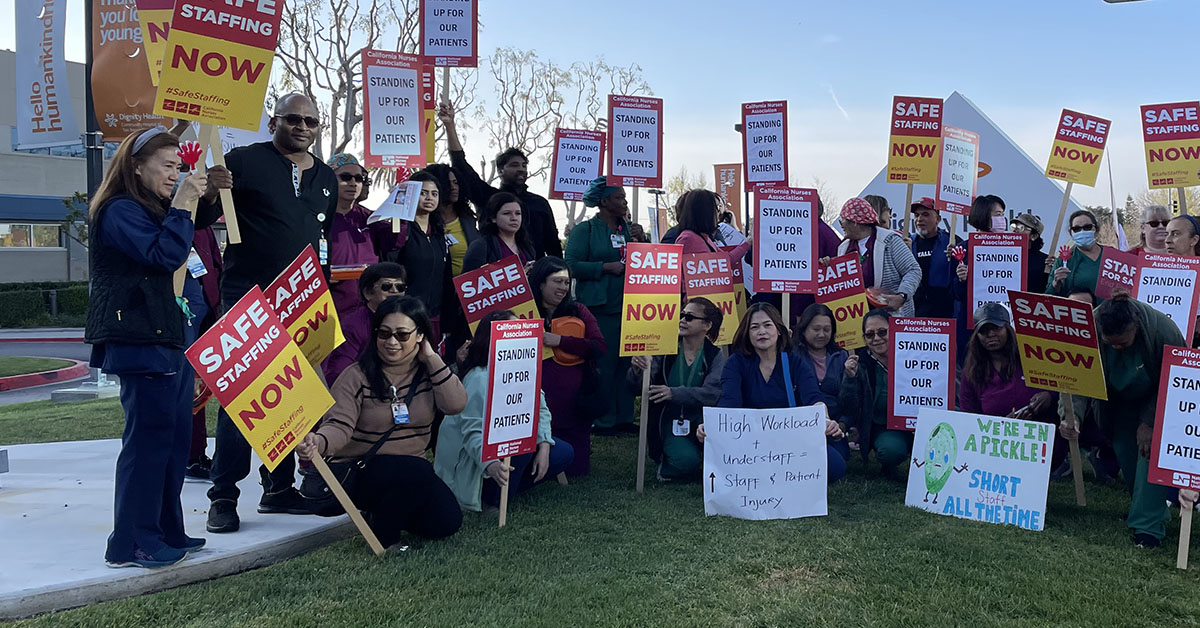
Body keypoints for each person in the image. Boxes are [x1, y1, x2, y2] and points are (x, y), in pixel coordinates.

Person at [197, 93, 338, 534]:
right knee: (245, 403)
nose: (302, 126)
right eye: (293, 118)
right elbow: (201, 219)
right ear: (275, 120)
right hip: (248, 299)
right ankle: (223, 495)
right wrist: (209, 189)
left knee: (292, 399)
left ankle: (278, 489)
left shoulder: (328, 178)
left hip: (302, 300)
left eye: (310, 121)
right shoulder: (242, 160)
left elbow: (321, 239)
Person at [85, 126, 206, 567]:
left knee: (172, 441)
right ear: (136, 166)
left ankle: (165, 529)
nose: (176, 175)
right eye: (168, 166)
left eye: (179, 166)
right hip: (139, 338)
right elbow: (164, 254)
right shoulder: (119, 210)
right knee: (147, 442)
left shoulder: (152, 207)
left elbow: (184, 230)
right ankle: (131, 542)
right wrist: (185, 204)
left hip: (165, 337)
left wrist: (205, 196)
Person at [297, 296, 465, 546]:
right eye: (383, 333)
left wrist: (431, 357)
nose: (392, 342)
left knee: (446, 522)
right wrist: (319, 442)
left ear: (420, 335)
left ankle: (384, 512)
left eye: (402, 334)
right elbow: (339, 425)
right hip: (360, 470)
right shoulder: (356, 376)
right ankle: (385, 538)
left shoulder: (430, 373)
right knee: (416, 470)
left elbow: (455, 404)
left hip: (410, 475)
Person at [1069, 294, 1182, 547]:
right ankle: (1142, 509)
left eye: (1123, 343)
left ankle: (1148, 528)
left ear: (1137, 325)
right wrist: (1072, 415)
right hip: (1117, 402)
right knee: (1125, 450)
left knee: (1148, 454)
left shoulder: (1165, 331)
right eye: (1112, 345)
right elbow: (1075, 374)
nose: (1117, 348)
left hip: (1157, 397)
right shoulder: (1090, 327)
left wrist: (1149, 422)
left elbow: (1173, 378)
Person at [435, 310, 573, 511]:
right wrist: (490, 464)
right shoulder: (478, 378)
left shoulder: (522, 368)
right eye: (512, 331)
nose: (519, 336)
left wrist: (543, 445)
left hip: (504, 448)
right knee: (521, 442)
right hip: (473, 460)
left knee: (562, 452)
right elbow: (472, 432)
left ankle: (506, 486)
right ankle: (491, 499)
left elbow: (540, 408)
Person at [704, 303, 847, 482]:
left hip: (791, 440)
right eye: (754, 327)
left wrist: (826, 420)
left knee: (836, 466)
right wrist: (712, 427)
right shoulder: (735, 363)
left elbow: (813, 399)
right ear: (747, 333)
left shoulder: (795, 361)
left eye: (767, 325)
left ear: (779, 330)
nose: (761, 331)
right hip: (751, 442)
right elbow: (728, 403)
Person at [439, 102, 562, 259]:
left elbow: (552, 244)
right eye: (515, 165)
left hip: (534, 277)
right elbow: (461, 165)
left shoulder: (540, 203)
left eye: (524, 165)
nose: (521, 169)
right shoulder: (487, 196)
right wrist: (450, 126)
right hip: (495, 276)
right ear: (500, 170)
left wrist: (559, 272)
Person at [564, 177, 636, 435]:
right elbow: (570, 264)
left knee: (626, 364)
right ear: (604, 202)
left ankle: (625, 417)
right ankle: (604, 419)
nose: (625, 202)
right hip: (600, 308)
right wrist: (604, 267)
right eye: (619, 197)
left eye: (625, 197)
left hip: (630, 308)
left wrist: (640, 243)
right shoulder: (587, 230)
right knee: (604, 365)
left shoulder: (627, 230)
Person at [628, 297, 727, 481]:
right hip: (668, 421)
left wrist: (673, 393)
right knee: (686, 461)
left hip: (702, 422)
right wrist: (636, 370)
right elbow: (637, 388)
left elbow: (712, 395)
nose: (682, 320)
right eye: (681, 315)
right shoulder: (664, 349)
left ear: (707, 325)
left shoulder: (716, 356)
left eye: (689, 317)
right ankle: (667, 463)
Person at [957, 303, 1063, 464]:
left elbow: (1063, 385)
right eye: (984, 331)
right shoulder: (971, 372)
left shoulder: (1032, 356)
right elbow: (968, 416)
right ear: (977, 336)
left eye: (996, 328)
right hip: (994, 445)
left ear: (1008, 329)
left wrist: (1049, 395)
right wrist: (1000, 427)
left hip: (1040, 436)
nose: (991, 334)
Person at [528, 256, 605, 475]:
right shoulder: (524, 313)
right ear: (541, 282)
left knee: (576, 469)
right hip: (537, 400)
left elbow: (599, 347)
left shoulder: (579, 311)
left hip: (575, 403)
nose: (563, 287)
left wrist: (560, 341)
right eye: (557, 281)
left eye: (566, 282)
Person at [839, 309, 911, 477]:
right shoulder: (861, 364)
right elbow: (848, 407)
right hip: (885, 426)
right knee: (890, 451)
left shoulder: (918, 353)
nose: (877, 338)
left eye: (882, 332)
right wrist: (849, 378)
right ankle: (889, 464)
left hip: (922, 423)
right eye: (870, 335)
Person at [381, 170, 451, 338]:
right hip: (405, 316)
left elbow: (446, 277)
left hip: (434, 316)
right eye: (423, 193)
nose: (429, 198)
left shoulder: (439, 234)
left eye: (434, 194)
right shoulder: (401, 229)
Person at [322, 262, 407, 383]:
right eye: (386, 286)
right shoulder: (352, 326)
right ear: (368, 293)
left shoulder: (409, 320)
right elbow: (338, 374)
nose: (395, 291)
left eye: (400, 287)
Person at [836, 198, 921, 317]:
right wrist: (828, 265)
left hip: (892, 316)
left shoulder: (890, 240)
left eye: (843, 220)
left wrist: (902, 296)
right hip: (858, 318)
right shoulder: (843, 248)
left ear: (854, 221)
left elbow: (913, 270)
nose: (842, 225)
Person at [183, 224, 222, 482]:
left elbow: (217, 264)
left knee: (201, 386)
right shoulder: (169, 216)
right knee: (186, 387)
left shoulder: (205, 226)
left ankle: (197, 454)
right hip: (183, 314)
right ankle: (189, 455)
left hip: (210, 308)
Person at [791, 303, 852, 461]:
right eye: (816, 329)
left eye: (826, 329)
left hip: (833, 426)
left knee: (839, 457)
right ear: (804, 329)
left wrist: (842, 425)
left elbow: (850, 400)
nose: (821, 334)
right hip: (800, 425)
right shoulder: (791, 355)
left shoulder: (842, 356)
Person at [326, 153, 379, 317]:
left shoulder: (372, 218)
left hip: (368, 309)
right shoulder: (316, 217)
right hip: (331, 310)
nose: (353, 183)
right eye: (346, 177)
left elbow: (394, 243)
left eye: (358, 178)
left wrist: (400, 213)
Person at [909, 196, 962, 319]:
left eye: (925, 214)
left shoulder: (952, 241)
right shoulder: (907, 243)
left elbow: (965, 275)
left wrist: (957, 258)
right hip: (916, 313)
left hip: (946, 312)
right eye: (916, 215)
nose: (919, 219)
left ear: (938, 219)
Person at [423, 163, 480, 277]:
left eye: (456, 182)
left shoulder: (468, 220)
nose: (454, 187)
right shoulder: (423, 221)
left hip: (470, 288)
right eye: (448, 183)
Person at [462, 191, 536, 272]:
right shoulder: (481, 246)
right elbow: (468, 282)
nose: (514, 218)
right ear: (493, 218)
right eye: (507, 213)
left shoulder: (526, 246)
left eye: (518, 213)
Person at [674, 189, 752, 261]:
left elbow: (726, 260)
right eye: (717, 207)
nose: (719, 212)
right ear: (706, 211)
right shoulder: (688, 239)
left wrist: (747, 244)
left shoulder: (703, 237)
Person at [1047, 209, 1104, 300]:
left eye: (1087, 227)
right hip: (1080, 313)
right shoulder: (1063, 261)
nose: (1082, 232)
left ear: (1096, 229)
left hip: (1110, 312)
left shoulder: (1112, 255)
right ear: (1071, 233)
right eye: (1076, 229)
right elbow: (1049, 296)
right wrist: (1056, 283)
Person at [1010, 212, 1049, 293]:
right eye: (1014, 226)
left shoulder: (1045, 262)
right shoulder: (1002, 256)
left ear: (1033, 236)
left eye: (1021, 227)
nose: (1015, 230)